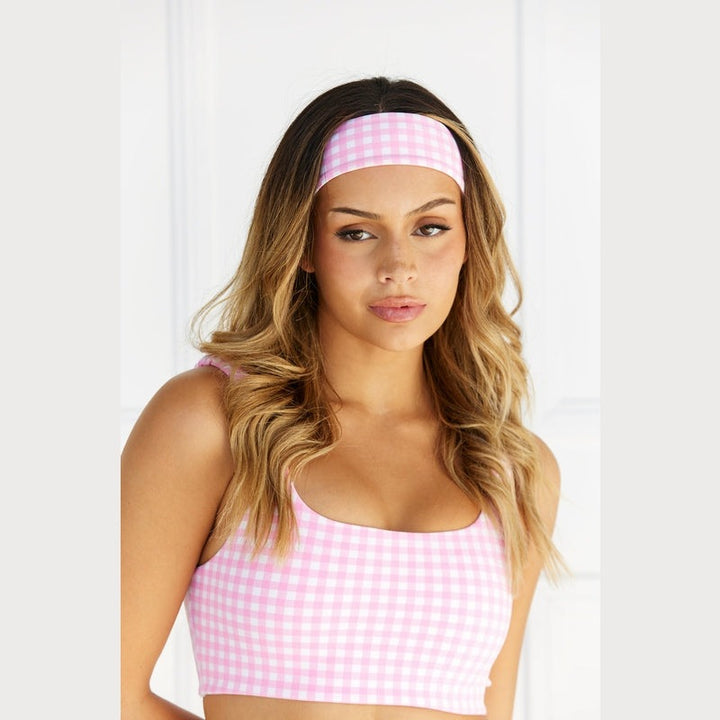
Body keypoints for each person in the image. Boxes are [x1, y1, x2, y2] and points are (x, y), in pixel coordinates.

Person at [121, 76, 565, 720]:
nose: (398, 266)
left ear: (470, 241)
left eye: (431, 227)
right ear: (303, 245)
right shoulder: (214, 422)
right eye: (356, 232)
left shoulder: (515, 470)